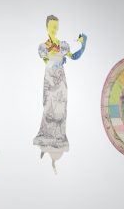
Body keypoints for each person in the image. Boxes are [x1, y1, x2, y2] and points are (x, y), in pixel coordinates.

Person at [33, 15, 87, 172]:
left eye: (56, 27)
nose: (55, 29)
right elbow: (47, 61)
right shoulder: (43, 47)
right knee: (48, 107)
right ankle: (46, 143)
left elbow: (74, 56)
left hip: (61, 81)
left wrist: (83, 44)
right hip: (50, 79)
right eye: (52, 26)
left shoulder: (63, 45)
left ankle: (58, 142)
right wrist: (57, 59)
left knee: (61, 111)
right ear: (47, 27)